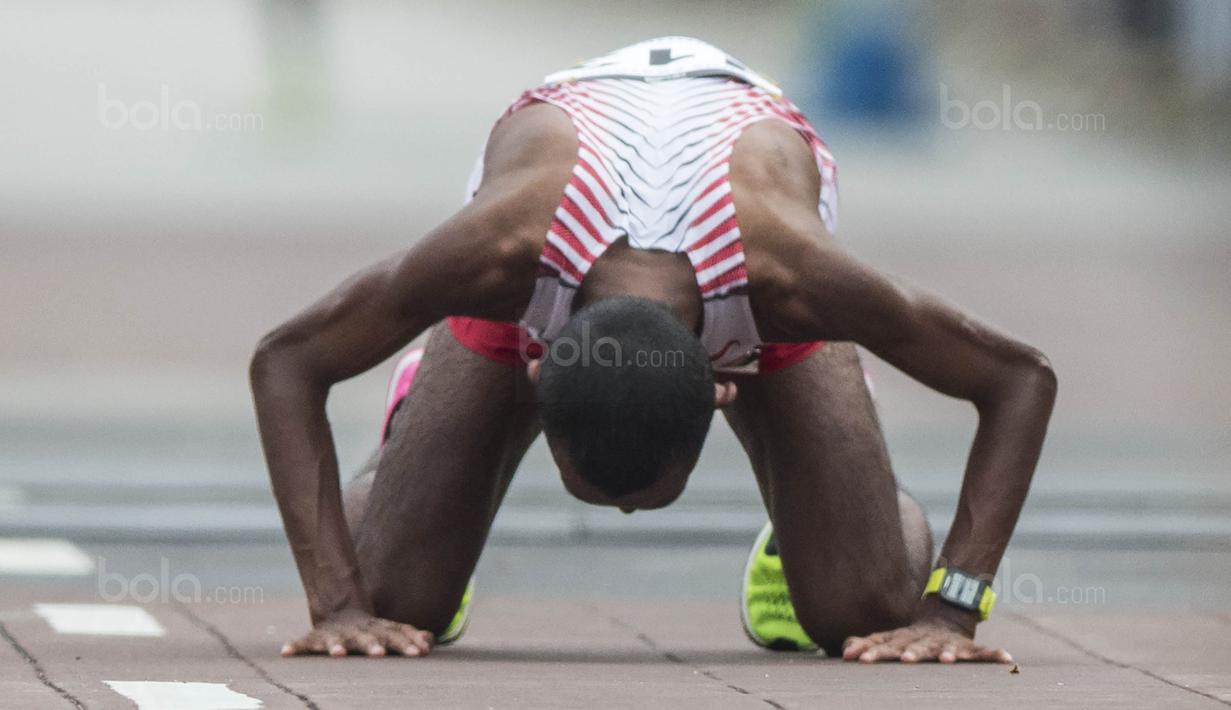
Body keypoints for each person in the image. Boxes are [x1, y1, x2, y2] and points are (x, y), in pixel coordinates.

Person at [250, 37, 1056, 664]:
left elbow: (1019, 379)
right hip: (543, 260)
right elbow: (287, 361)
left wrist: (952, 610)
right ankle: (417, 414)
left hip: (753, 290)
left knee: (866, 611)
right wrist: (337, 607)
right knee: (391, 602)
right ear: (537, 364)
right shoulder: (492, 257)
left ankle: (815, 491)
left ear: (720, 385)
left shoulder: (796, 281)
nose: (628, 515)